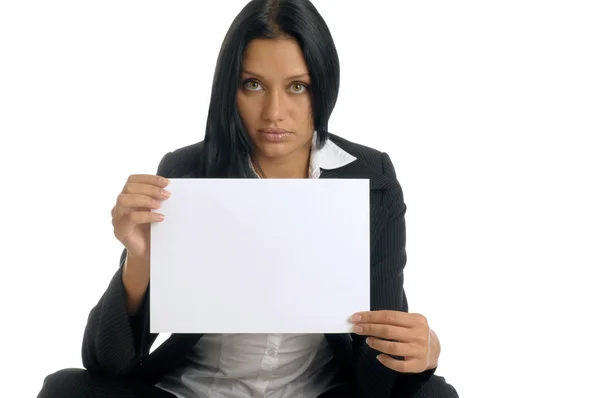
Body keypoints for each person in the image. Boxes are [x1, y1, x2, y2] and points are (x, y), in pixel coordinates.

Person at [38, 0, 459, 397]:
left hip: (320, 392)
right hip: (194, 390)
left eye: (298, 86)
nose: (274, 111)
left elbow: (380, 377)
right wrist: (140, 260)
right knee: (64, 389)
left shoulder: (371, 179)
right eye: (253, 84)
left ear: (324, 87)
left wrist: (419, 353)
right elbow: (103, 363)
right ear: (230, 89)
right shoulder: (184, 173)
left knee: (435, 393)